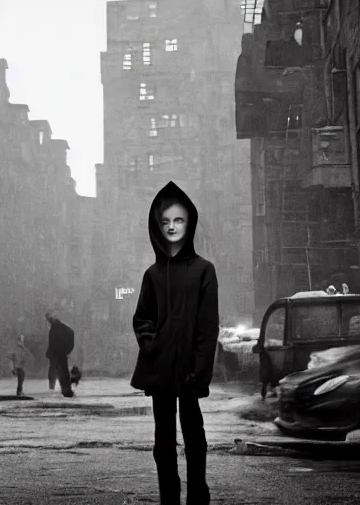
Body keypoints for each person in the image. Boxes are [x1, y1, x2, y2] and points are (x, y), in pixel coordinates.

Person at [131, 181, 218, 505]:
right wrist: (151, 345)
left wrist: (199, 370)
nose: (171, 227)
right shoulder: (152, 274)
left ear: (189, 223)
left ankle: (198, 494)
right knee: (163, 439)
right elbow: (142, 318)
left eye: (178, 220)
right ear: (158, 225)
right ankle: (169, 496)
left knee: (194, 433)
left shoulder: (204, 271)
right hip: (162, 368)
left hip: (190, 369)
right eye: (165, 221)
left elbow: (208, 327)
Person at [45, 311, 75, 397]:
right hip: (58, 353)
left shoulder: (58, 327)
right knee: (59, 371)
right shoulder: (57, 327)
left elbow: (54, 342)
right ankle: (65, 389)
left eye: (49, 318)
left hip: (58, 353)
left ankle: (62, 389)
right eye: (48, 319)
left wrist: (66, 350)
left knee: (58, 371)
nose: (48, 320)